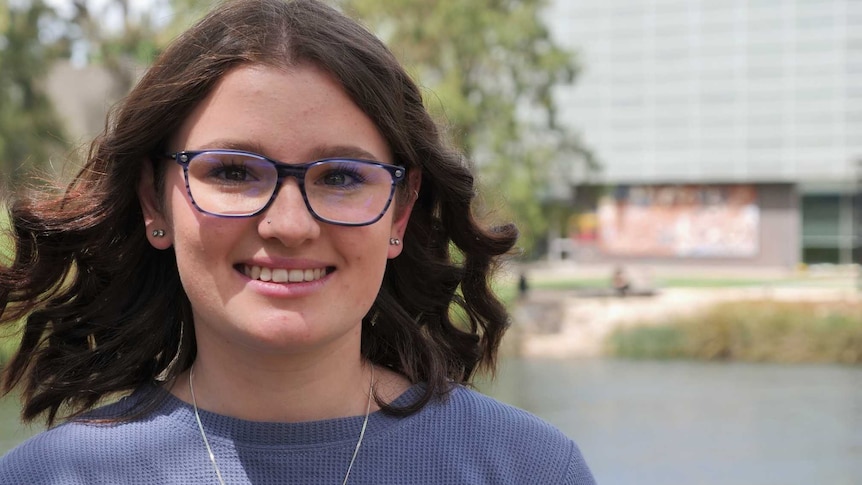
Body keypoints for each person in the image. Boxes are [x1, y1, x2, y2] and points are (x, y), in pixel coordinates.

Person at [0, 0, 596, 483]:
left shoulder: (530, 469)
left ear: (400, 212)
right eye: (233, 171)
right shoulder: (49, 477)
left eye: (340, 176)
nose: (288, 225)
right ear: (155, 201)